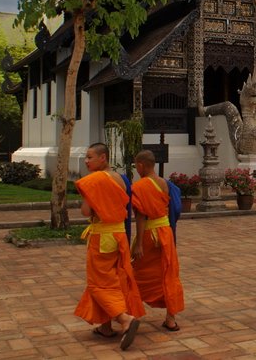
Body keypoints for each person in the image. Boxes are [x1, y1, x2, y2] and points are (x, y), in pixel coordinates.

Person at [74, 143, 144, 351]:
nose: (86, 161)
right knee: (114, 278)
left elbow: (86, 212)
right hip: (118, 234)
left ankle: (124, 319)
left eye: (89, 157)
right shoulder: (119, 179)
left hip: (102, 236)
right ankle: (105, 327)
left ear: (103, 158)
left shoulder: (94, 181)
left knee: (98, 283)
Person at [130, 150, 185, 331]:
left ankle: (131, 314)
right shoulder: (165, 183)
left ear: (140, 165)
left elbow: (140, 216)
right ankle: (171, 319)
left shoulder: (139, 187)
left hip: (149, 234)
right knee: (168, 273)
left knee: (137, 273)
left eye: (136, 166)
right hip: (165, 233)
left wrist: (138, 244)